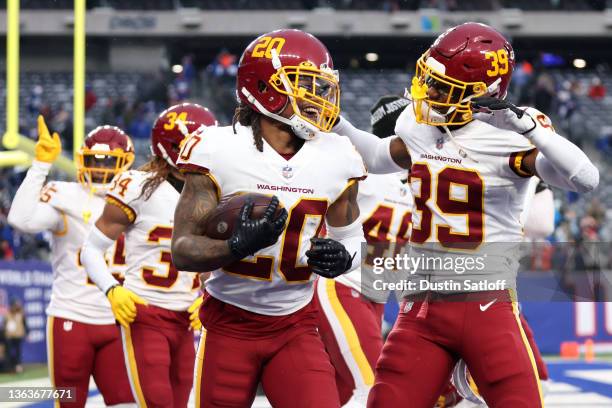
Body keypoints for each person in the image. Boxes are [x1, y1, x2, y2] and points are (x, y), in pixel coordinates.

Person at [331, 22, 598, 407]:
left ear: (482, 93)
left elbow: (585, 179)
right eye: (429, 80)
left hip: (486, 305)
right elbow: (375, 157)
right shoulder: (418, 124)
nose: (429, 92)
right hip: (421, 307)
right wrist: (336, 122)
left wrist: (534, 131)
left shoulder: (511, 135)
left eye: (442, 87)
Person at [171, 29, 367, 408]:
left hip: (296, 322)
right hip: (229, 323)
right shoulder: (217, 147)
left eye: (321, 87)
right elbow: (182, 250)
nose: (319, 99)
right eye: (306, 85)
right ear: (264, 87)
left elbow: (353, 236)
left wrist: (346, 258)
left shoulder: (339, 154)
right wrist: (235, 246)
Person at [81, 103, 217, 408]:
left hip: (188, 318)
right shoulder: (138, 187)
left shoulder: (216, 190)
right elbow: (91, 249)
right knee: (157, 402)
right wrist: (112, 289)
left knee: (182, 402)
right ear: (174, 147)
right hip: (146, 312)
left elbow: (216, 258)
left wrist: (208, 296)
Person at [8, 118, 135, 407]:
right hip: (72, 316)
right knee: (69, 401)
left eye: (108, 162)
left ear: (125, 163)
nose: (100, 169)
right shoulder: (67, 196)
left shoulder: (139, 197)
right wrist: (40, 165)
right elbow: (20, 219)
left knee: (127, 402)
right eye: (94, 161)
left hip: (120, 319)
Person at [315, 94, 413, 406]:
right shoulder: (364, 171)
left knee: (339, 391)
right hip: (343, 288)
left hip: (376, 297)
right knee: (372, 387)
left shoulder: (422, 178)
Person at [4, 299, 27, 373]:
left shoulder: (21, 313)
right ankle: (9, 367)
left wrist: (27, 333)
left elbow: (24, 324)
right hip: (9, 336)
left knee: (18, 352)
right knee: (9, 352)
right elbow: (5, 324)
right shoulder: (7, 314)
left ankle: (18, 366)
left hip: (18, 335)